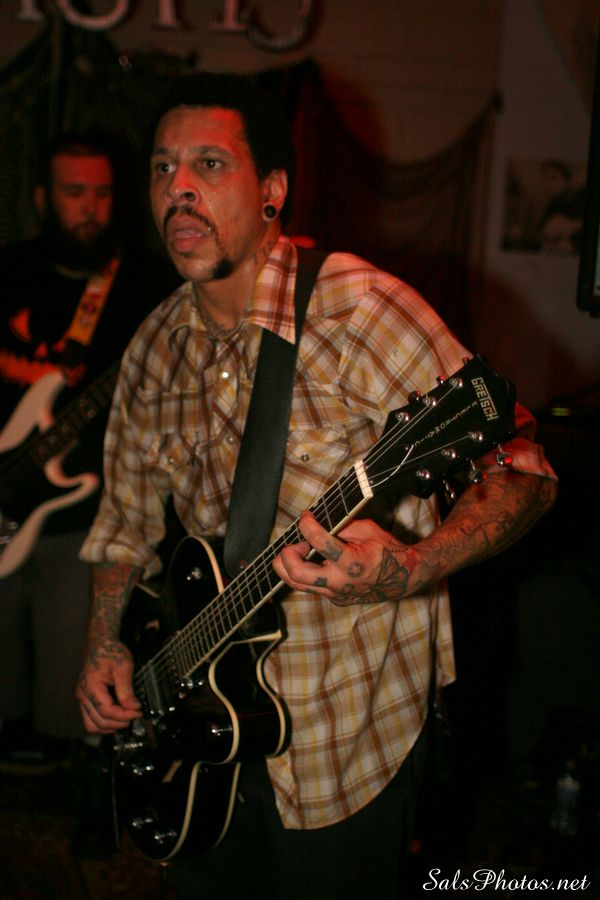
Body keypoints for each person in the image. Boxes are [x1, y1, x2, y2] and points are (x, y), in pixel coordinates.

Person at [75, 74, 557, 898]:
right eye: (161, 167)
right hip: (199, 735)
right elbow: (122, 526)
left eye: (208, 164)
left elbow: (524, 470)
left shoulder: (361, 310)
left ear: (272, 190)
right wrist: (104, 644)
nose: (177, 186)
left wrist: (413, 565)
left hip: (345, 740)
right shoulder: (153, 345)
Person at [0, 134, 174, 783]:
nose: (90, 207)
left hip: (86, 508)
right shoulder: (9, 272)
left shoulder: (146, 287)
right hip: (8, 485)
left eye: (102, 193)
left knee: (69, 649)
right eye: (75, 192)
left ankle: (76, 778)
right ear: (43, 198)